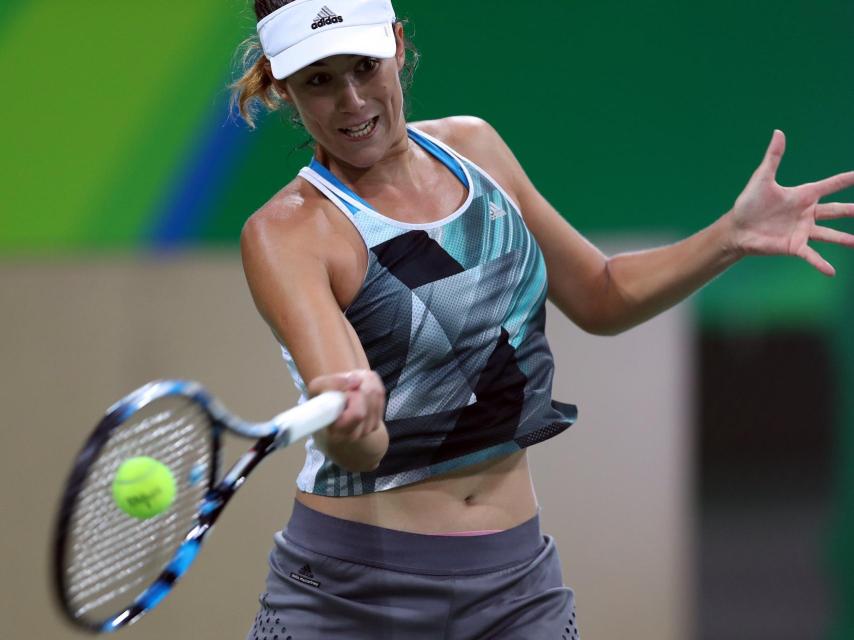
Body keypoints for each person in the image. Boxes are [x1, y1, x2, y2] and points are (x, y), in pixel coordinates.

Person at [232, 1, 854, 638]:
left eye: (365, 66)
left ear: (396, 42)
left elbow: (600, 294)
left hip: (517, 587)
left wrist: (733, 235)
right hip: (348, 597)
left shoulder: (475, 150)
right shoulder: (287, 233)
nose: (353, 100)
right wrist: (349, 419)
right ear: (283, 88)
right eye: (319, 81)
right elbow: (362, 448)